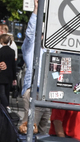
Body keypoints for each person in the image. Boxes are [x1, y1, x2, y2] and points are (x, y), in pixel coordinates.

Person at [21, 0, 51, 133]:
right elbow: (30, 34)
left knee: (43, 132)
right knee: (29, 129)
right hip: (35, 91)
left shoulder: (52, 52)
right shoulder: (31, 49)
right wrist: (36, 10)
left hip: (49, 95)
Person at [0, 34, 16, 109]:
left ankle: (6, 106)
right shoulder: (12, 51)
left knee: (1, 92)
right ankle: (6, 107)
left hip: (1, 74)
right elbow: (13, 65)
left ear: (1, 41)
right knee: (7, 92)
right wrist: (14, 77)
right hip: (9, 74)